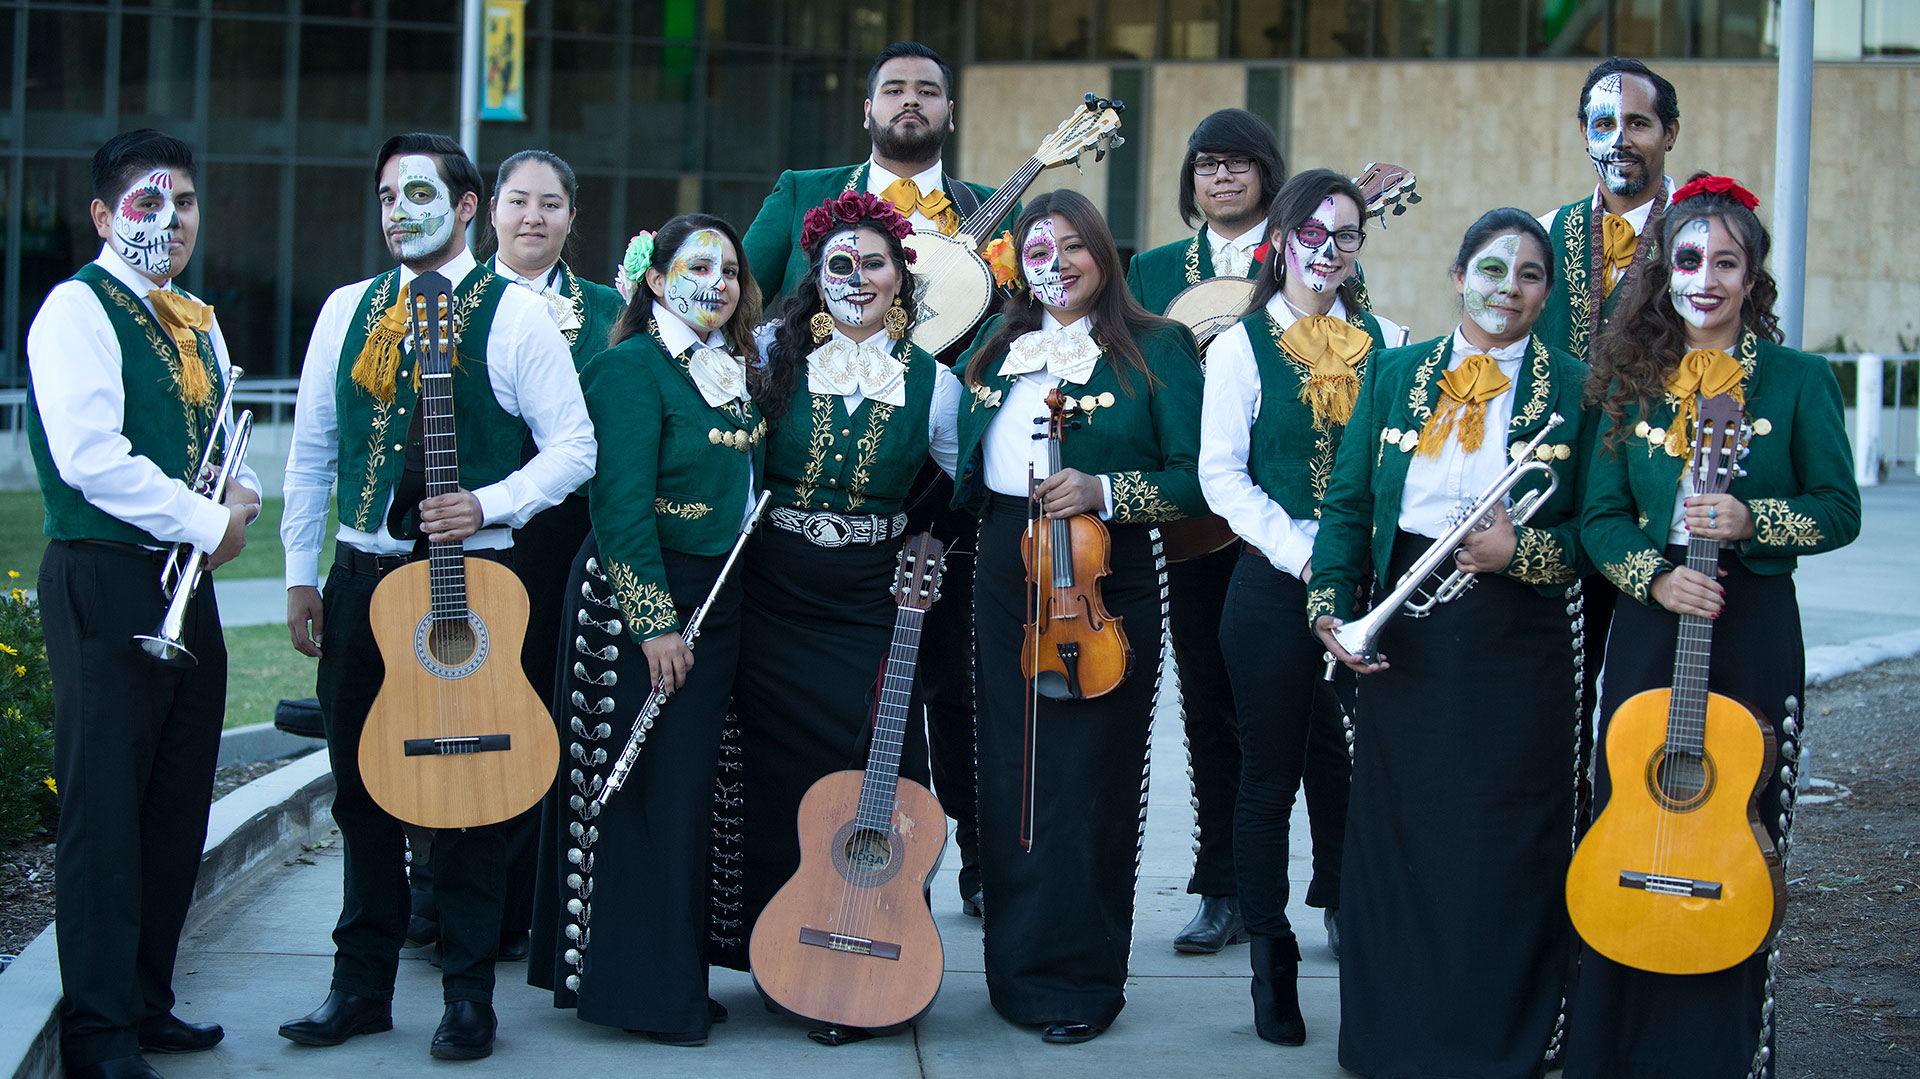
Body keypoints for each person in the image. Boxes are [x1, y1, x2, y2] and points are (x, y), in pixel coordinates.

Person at [278, 132, 595, 1061]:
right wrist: (303, 571)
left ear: (466, 208)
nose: (395, 212)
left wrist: (489, 502)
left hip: (471, 584)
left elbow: (574, 447)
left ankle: (467, 996)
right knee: (360, 792)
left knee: (468, 789)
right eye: (384, 197)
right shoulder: (346, 310)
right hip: (362, 576)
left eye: (416, 194)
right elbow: (313, 452)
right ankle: (358, 986)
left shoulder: (515, 315)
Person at [1565, 176, 1860, 1079]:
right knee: (1631, 813)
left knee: (1742, 827)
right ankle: (1616, 1048)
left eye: (1725, 262)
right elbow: (1598, 519)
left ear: (1751, 275)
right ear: (1664, 269)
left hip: (1754, 629)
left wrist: (1752, 520)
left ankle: (1728, 1052)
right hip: (1658, 631)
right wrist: (1652, 577)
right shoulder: (1628, 378)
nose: (1704, 278)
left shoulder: (1802, 380)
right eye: (1688, 259)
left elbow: (1840, 508)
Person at [1311, 208, 1592, 1076]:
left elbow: (1601, 526)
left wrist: (1524, 550)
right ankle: (1394, 1037)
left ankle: (1504, 1039)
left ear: (1549, 291)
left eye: (1531, 274)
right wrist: (1329, 606)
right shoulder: (1396, 374)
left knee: (1505, 832)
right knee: (1402, 830)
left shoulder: (1578, 385)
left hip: (1520, 635)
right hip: (1409, 628)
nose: (1509, 288)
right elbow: (1350, 503)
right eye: (1493, 269)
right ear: (1458, 274)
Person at [740, 39, 1017, 917]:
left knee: (949, 694)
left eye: (927, 90)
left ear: (946, 109)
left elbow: (1013, 334)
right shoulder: (799, 193)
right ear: (867, 108)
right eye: (893, 88)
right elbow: (739, 298)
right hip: (795, 477)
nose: (910, 101)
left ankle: (951, 867)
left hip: (929, 490)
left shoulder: (987, 214)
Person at [28, 128, 260, 1079]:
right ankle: (97, 1031)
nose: (170, 222)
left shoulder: (194, 319)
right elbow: (89, 456)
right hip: (107, 573)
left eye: (186, 205)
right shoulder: (75, 310)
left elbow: (218, 441)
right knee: (106, 811)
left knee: (174, 804)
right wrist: (207, 517)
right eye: (146, 204)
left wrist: (235, 494)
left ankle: (147, 1001)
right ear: (101, 216)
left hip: (183, 583)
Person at [956, 189, 1205, 1044]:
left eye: (1072, 247)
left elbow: (1196, 480)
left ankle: (1079, 982)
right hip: (1003, 570)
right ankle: (1013, 971)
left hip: (1106, 574)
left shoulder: (1159, 349)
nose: (1054, 263)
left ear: (1103, 253)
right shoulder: (997, 349)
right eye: (1036, 249)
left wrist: (1104, 489)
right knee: (1011, 774)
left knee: (1088, 780)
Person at [712, 191, 960, 978]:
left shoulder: (934, 383)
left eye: (874, 264)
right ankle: (768, 946)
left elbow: (970, 486)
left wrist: (930, 546)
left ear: (901, 278)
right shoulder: (767, 352)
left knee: (862, 767)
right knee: (764, 771)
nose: (857, 278)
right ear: (818, 275)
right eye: (840, 264)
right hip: (772, 591)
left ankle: (857, 941)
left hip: (867, 600)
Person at [531, 213, 763, 1045]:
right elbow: (619, 506)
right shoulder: (632, 367)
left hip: (717, 594)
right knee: (646, 795)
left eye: (731, 270)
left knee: (687, 790)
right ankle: (643, 994)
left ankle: (675, 974)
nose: (720, 282)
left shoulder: (729, 366)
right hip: (648, 599)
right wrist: (654, 623)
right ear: (657, 280)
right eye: (700, 266)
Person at [1198, 168, 1406, 1043]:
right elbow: (1222, 478)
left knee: (1365, 772)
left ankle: (1364, 934)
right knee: (1269, 775)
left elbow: (1404, 467)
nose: (1328, 251)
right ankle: (1271, 962)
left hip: (1372, 591)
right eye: (1312, 234)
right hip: (1273, 588)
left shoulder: (1393, 340)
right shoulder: (1242, 346)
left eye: (1346, 235)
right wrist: (1307, 553)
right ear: (1280, 239)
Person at [408, 148, 625, 964]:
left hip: (565, 535)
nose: (533, 216)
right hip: (460, 533)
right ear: (485, 210)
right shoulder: (439, 298)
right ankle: (436, 888)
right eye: (517, 200)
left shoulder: (609, 308)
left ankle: (523, 898)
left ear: (573, 217)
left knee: (542, 709)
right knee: (450, 705)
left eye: (551, 204)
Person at [1123, 107, 1289, 955]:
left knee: (1307, 706)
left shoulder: (1304, 254)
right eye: (1205, 166)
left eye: (1237, 164)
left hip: (1280, 515)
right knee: (1207, 701)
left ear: (1267, 172)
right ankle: (1219, 884)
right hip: (1188, 518)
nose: (1220, 178)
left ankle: (1330, 880)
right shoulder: (1151, 270)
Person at [1536, 58, 1682, 759]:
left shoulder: (1704, 239)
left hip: (1657, 510)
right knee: (1555, 701)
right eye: (1603, 123)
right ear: (1584, 134)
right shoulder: (1539, 238)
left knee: (1646, 707)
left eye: (1638, 123)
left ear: (1670, 133)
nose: (1619, 138)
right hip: (1559, 506)